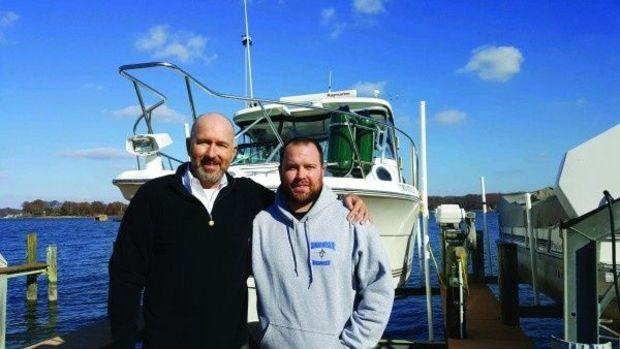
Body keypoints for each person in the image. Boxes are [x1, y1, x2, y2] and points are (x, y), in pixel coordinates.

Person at [108, 113, 368, 348]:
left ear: (232, 152)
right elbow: (125, 278)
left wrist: (342, 200)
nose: (212, 153)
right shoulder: (153, 198)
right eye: (203, 142)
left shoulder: (249, 196)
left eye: (221, 145)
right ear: (189, 146)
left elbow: (298, 197)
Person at [251, 137, 394, 349]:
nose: (301, 176)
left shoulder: (353, 221)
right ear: (280, 170)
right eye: (292, 167)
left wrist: (352, 346)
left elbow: (378, 290)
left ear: (322, 169)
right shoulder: (259, 223)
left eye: (309, 167)